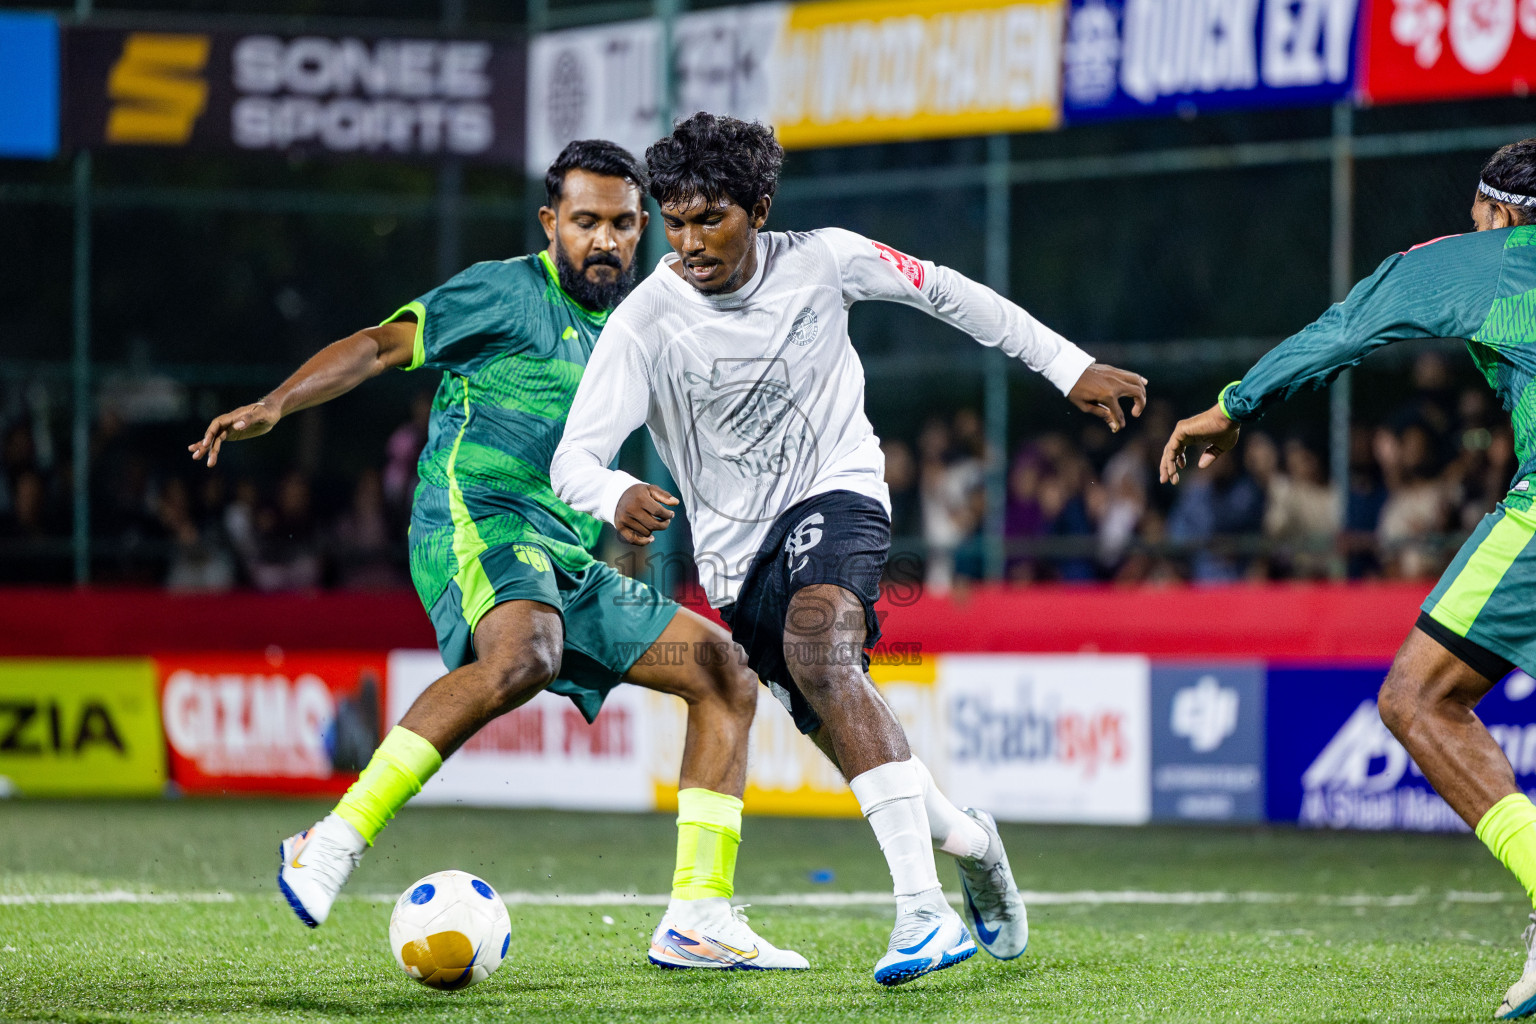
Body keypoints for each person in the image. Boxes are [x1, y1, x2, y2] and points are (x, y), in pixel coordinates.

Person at [551, 113, 1148, 985]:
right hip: (733, 561)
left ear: (759, 208)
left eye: (709, 218)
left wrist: (1066, 366)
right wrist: (615, 493)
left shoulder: (825, 258)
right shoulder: (645, 318)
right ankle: (972, 843)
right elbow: (572, 457)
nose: (687, 243)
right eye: (673, 222)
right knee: (843, 721)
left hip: (840, 489)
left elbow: (947, 291)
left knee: (820, 641)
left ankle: (922, 914)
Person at [188, 140, 806, 971]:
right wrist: (275, 404)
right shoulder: (504, 291)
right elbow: (378, 345)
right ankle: (329, 842)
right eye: (586, 221)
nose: (607, 241)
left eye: (624, 224)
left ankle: (698, 914)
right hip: (473, 515)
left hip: (561, 553)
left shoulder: (648, 323)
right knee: (527, 655)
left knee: (724, 671)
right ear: (552, 222)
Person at [1158, 138, 1536, 1020]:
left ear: (1498, 212)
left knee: (1418, 698)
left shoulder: (1484, 260)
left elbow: (1347, 329)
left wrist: (1233, 404)